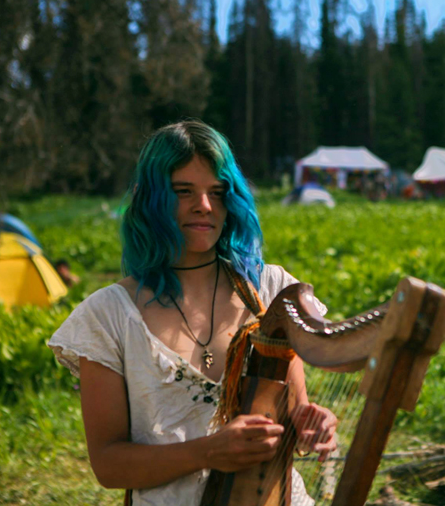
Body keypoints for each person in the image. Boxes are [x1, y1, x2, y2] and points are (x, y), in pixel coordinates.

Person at [48, 120, 337, 505]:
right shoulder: (108, 316)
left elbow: (294, 417)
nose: (204, 205)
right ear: (151, 200)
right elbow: (108, 465)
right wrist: (208, 451)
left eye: (217, 193)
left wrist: (310, 426)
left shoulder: (270, 292)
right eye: (183, 191)